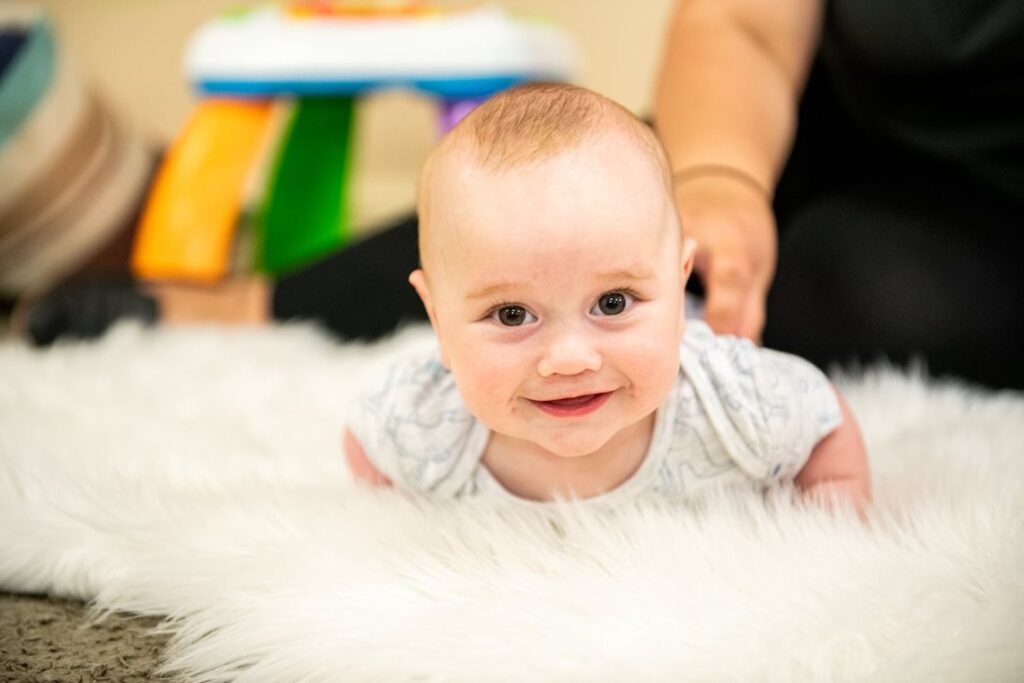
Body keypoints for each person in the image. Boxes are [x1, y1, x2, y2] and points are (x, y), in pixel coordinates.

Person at [19, 0, 1023, 391]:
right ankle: (245, 300)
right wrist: (713, 179)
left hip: (991, 194)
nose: (563, 353)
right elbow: (740, 27)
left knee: (869, 282)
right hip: (809, 107)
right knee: (573, 184)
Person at [341, 83, 870, 511]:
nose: (570, 359)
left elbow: (823, 424)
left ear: (679, 279)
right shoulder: (424, 426)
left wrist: (829, 518)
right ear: (437, 319)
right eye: (511, 314)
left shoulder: (732, 404)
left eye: (613, 303)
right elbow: (364, 443)